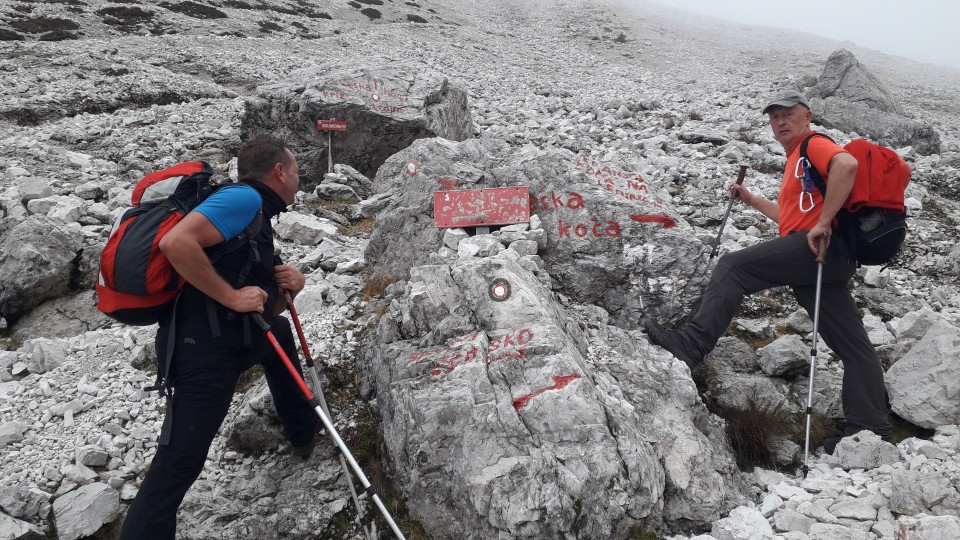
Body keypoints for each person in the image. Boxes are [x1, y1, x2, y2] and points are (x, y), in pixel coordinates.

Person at [643, 89, 893, 450]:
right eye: (774, 117)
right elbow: (790, 218)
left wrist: (823, 223)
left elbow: (847, 165)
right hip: (827, 259)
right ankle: (871, 431)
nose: (780, 122)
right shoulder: (797, 159)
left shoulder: (814, 144)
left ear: (807, 115)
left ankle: (692, 343)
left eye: (788, 114)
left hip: (819, 247)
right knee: (854, 348)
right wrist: (752, 199)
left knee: (733, 267)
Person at [120, 135, 319, 540]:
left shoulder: (257, 212)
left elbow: (261, 306)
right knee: (181, 460)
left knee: (278, 332)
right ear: (279, 171)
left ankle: (304, 434)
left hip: (235, 336)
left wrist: (289, 288)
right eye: (296, 171)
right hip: (202, 350)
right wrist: (230, 296)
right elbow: (175, 243)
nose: (299, 180)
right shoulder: (244, 199)